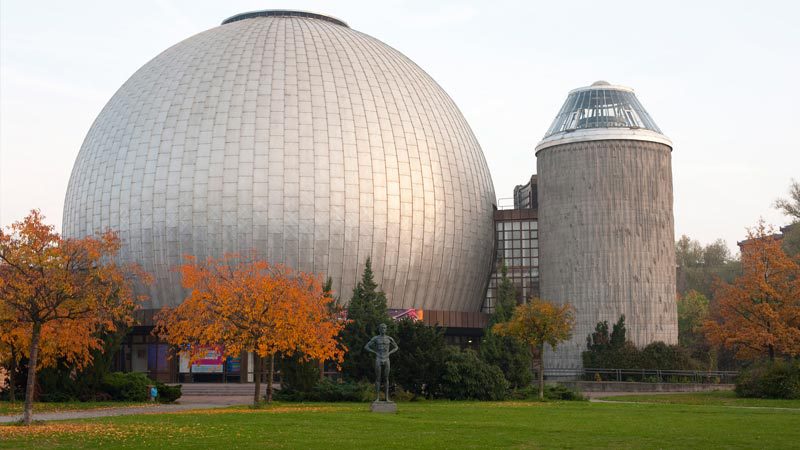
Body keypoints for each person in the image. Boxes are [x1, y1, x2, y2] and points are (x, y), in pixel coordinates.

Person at [364, 323, 399, 402]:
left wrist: (390, 353)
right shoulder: (376, 338)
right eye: (382, 328)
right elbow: (366, 346)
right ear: (379, 329)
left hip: (386, 358)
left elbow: (396, 347)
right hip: (379, 358)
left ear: (386, 329)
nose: (383, 329)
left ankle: (387, 398)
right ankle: (377, 398)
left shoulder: (389, 338)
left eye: (384, 328)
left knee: (386, 378)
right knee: (378, 378)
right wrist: (374, 352)